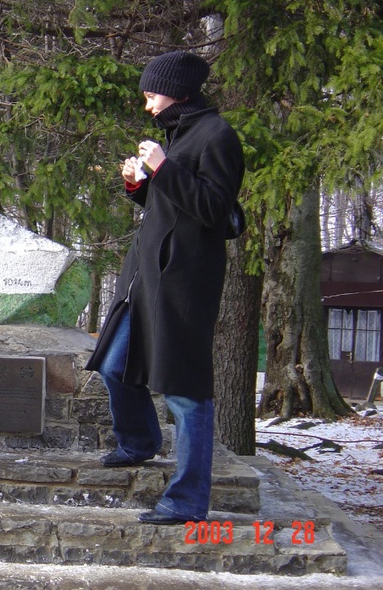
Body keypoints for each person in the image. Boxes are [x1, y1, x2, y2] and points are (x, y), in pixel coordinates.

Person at [85, 51, 245, 525]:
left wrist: (163, 167)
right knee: (114, 365)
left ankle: (188, 499)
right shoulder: (179, 134)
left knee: (185, 392)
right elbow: (171, 206)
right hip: (143, 276)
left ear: (179, 90)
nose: (148, 105)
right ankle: (138, 442)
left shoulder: (218, 135)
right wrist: (140, 186)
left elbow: (216, 211)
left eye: (152, 94)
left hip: (184, 285)